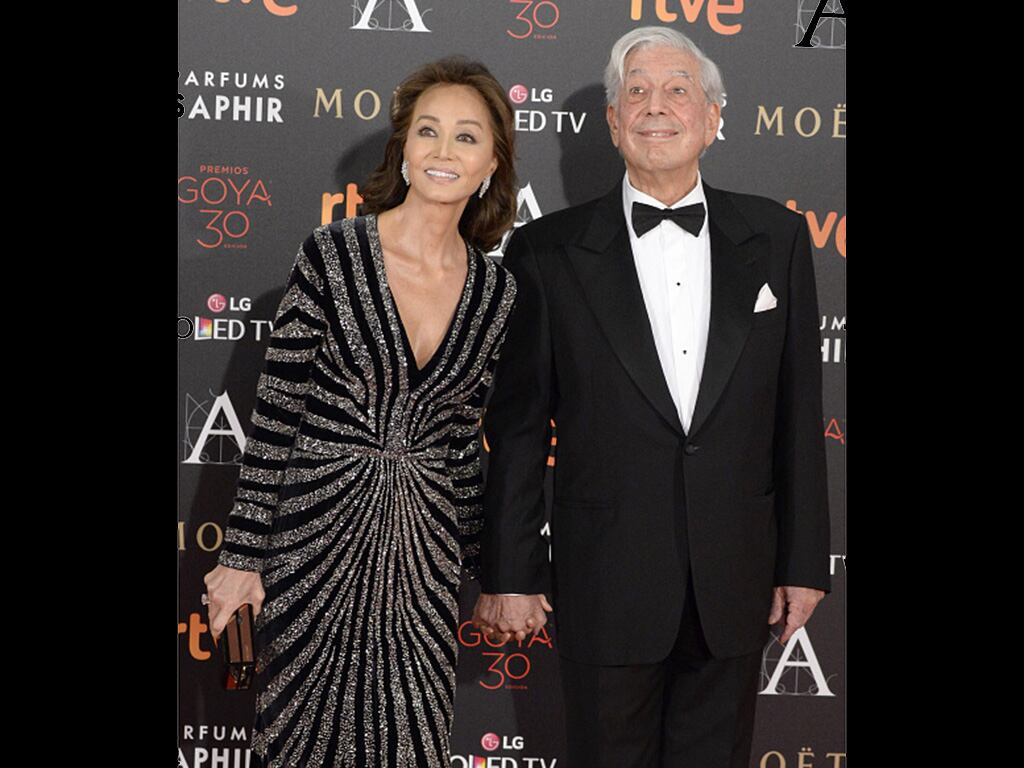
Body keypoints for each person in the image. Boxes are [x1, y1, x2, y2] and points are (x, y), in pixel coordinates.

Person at [471, 26, 831, 767]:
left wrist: (802, 560)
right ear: (611, 122)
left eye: (677, 89)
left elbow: (797, 415)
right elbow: (516, 428)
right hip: (603, 582)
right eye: (635, 90)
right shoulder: (546, 252)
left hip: (734, 582)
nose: (655, 105)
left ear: (713, 116)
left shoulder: (779, 236)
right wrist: (510, 573)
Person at [202, 56, 520, 767]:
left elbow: (463, 445)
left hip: (423, 563)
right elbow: (276, 415)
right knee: (302, 740)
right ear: (402, 149)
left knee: (409, 742)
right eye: (428, 132)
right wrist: (242, 557)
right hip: (315, 542)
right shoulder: (332, 256)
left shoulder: (497, 295)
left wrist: (494, 574)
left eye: (466, 137)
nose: (444, 151)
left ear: (492, 163)